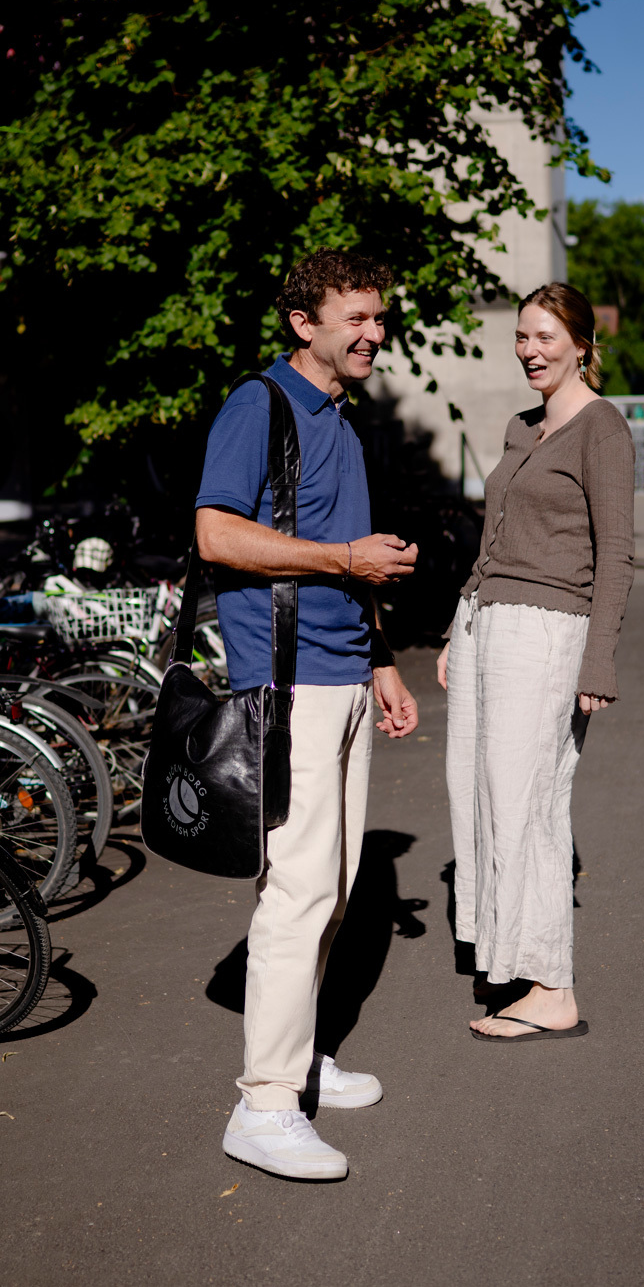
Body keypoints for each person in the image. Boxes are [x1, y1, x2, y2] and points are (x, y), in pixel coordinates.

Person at [194, 248, 421, 1181]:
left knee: (334, 882)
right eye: (357, 318)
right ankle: (264, 1104)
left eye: (379, 318)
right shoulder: (263, 405)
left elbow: (350, 558)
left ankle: (299, 1057)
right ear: (305, 323)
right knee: (298, 891)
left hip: (341, 672)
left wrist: (381, 658)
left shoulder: (341, 421)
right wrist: (344, 562)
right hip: (285, 680)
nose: (374, 333)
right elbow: (215, 533)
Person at [437, 282, 634, 1043]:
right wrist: (462, 621)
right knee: (478, 794)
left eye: (546, 337)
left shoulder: (602, 428)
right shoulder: (523, 427)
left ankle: (552, 985)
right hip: (488, 622)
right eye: (522, 336)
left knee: (530, 802)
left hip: (549, 627)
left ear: (582, 343)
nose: (530, 350)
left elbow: (615, 550)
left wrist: (599, 662)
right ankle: (509, 957)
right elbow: (497, 533)